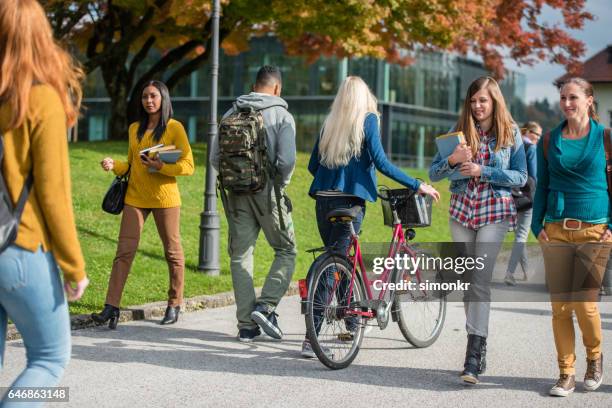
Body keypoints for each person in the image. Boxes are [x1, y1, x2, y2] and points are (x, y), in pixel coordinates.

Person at [304, 76, 440, 358]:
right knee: (336, 264)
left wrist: (334, 176)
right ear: (366, 97)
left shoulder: (330, 123)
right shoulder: (368, 120)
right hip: (351, 202)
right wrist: (417, 184)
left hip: (323, 201)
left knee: (338, 259)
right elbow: (381, 161)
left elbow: (313, 165)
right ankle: (311, 336)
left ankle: (352, 322)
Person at [0, 0, 89, 404]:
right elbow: (54, 195)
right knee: (50, 359)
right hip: (17, 248)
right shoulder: (40, 100)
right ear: (39, 35)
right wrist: (74, 266)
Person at [429, 76, 527, 384]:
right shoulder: (457, 133)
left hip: (493, 213)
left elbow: (521, 177)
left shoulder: (511, 133)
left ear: (494, 101)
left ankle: (473, 353)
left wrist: (484, 171)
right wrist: (453, 159)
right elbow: (434, 172)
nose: (477, 106)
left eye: (482, 100)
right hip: (461, 213)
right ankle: (478, 341)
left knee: (479, 281)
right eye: (473, 101)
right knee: (468, 283)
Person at [92, 80, 194, 328]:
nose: (149, 101)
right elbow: (131, 164)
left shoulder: (174, 128)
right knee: (123, 252)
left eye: (153, 96)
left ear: (163, 99)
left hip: (165, 199)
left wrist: (161, 166)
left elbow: (188, 166)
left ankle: (174, 303)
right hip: (135, 198)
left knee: (172, 251)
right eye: (145, 97)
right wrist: (113, 165)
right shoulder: (135, 128)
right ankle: (111, 307)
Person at [531, 77, 609, 397]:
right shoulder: (549, 141)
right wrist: (538, 227)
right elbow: (543, 188)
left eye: (573, 97)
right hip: (557, 231)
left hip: (595, 230)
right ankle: (566, 372)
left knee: (584, 304)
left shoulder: (606, 138)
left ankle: (594, 358)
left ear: (589, 100)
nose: (567, 103)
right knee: (560, 307)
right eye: (563, 98)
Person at [211, 65, 297, 342]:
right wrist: (279, 186)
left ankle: (246, 325)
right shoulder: (281, 115)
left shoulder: (230, 112)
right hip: (268, 192)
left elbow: (215, 159)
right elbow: (286, 162)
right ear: (277, 88)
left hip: (236, 193)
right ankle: (266, 306)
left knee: (240, 256)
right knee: (286, 250)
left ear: (254, 84)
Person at [504, 121, 541, 285]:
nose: (538, 138)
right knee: (521, 236)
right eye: (537, 134)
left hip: (510, 197)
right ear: (529, 132)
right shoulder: (531, 148)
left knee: (520, 235)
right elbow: (533, 177)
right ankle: (509, 273)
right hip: (526, 198)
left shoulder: (512, 145)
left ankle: (527, 271)